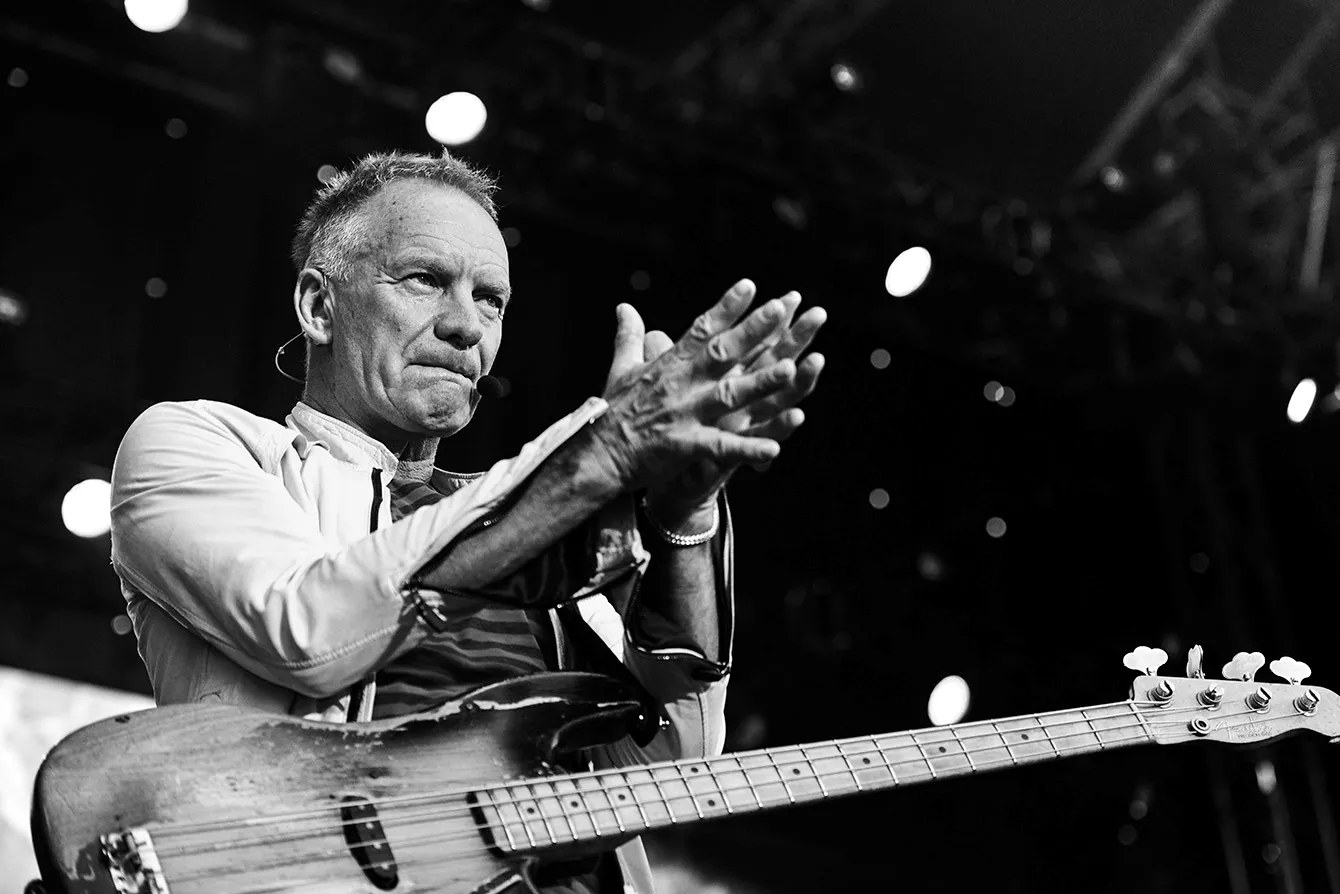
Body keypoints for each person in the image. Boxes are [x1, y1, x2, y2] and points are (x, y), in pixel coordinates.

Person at [109, 150, 826, 892]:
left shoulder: (530, 514)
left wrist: (684, 520)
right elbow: (306, 631)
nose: (465, 327)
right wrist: (599, 454)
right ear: (319, 307)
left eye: (491, 300)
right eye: (424, 279)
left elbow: (672, 758)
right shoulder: (199, 443)